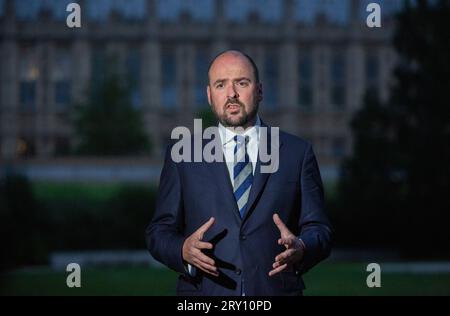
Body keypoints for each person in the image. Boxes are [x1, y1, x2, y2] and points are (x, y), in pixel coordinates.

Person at [145, 50, 332, 296]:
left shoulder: (297, 153)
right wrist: (182, 250)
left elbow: (320, 230)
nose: (231, 94)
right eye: (221, 85)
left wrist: (302, 247)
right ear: (210, 95)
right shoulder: (182, 155)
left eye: (241, 83)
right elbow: (158, 232)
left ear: (260, 90)